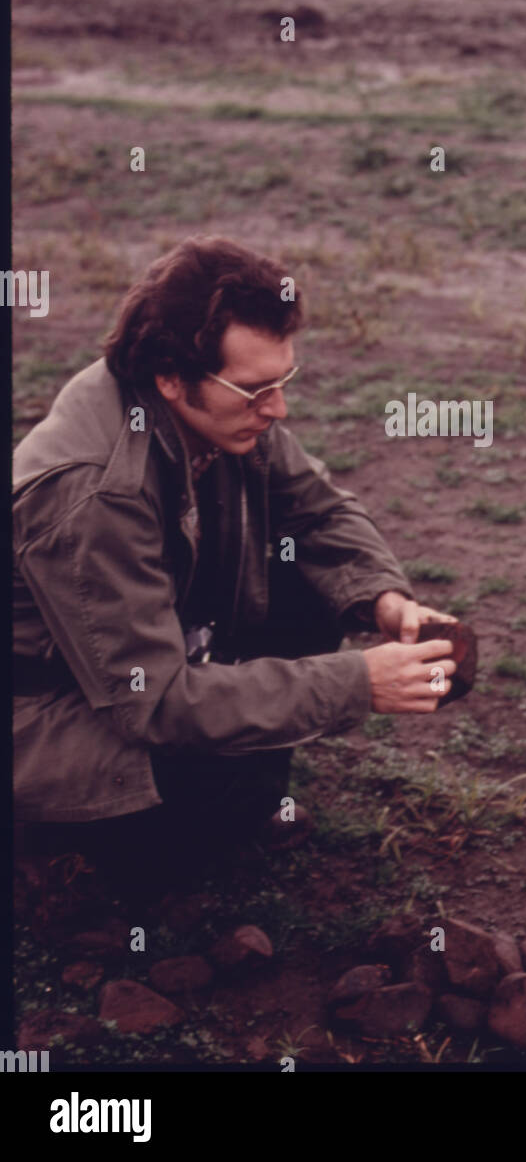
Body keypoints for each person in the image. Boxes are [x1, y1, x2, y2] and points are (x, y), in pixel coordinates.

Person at [13, 236, 456, 906]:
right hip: (46, 708)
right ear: (170, 375)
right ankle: (54, 836)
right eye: (254, 390)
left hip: (141, 656)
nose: (277, 410)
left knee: (311, 589)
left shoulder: (222, 409)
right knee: (190, 837)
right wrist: (353, 684)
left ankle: (237, 784)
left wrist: (384, 601)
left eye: (283, 382)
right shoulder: (96, 493)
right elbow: (154, 703)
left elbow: (316, 513)